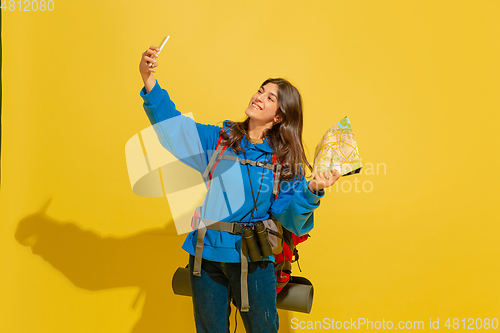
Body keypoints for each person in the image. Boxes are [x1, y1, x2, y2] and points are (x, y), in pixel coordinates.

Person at [139, 45, 340, 333]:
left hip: (254, 258)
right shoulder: (220, 140)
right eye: (260, 90)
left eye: (270, 97)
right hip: (205, 255)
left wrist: (311, 191)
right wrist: (149, 80)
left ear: (279, 117)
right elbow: (174, 129)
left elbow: (291, 217)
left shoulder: (282, 160)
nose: (259, 96)